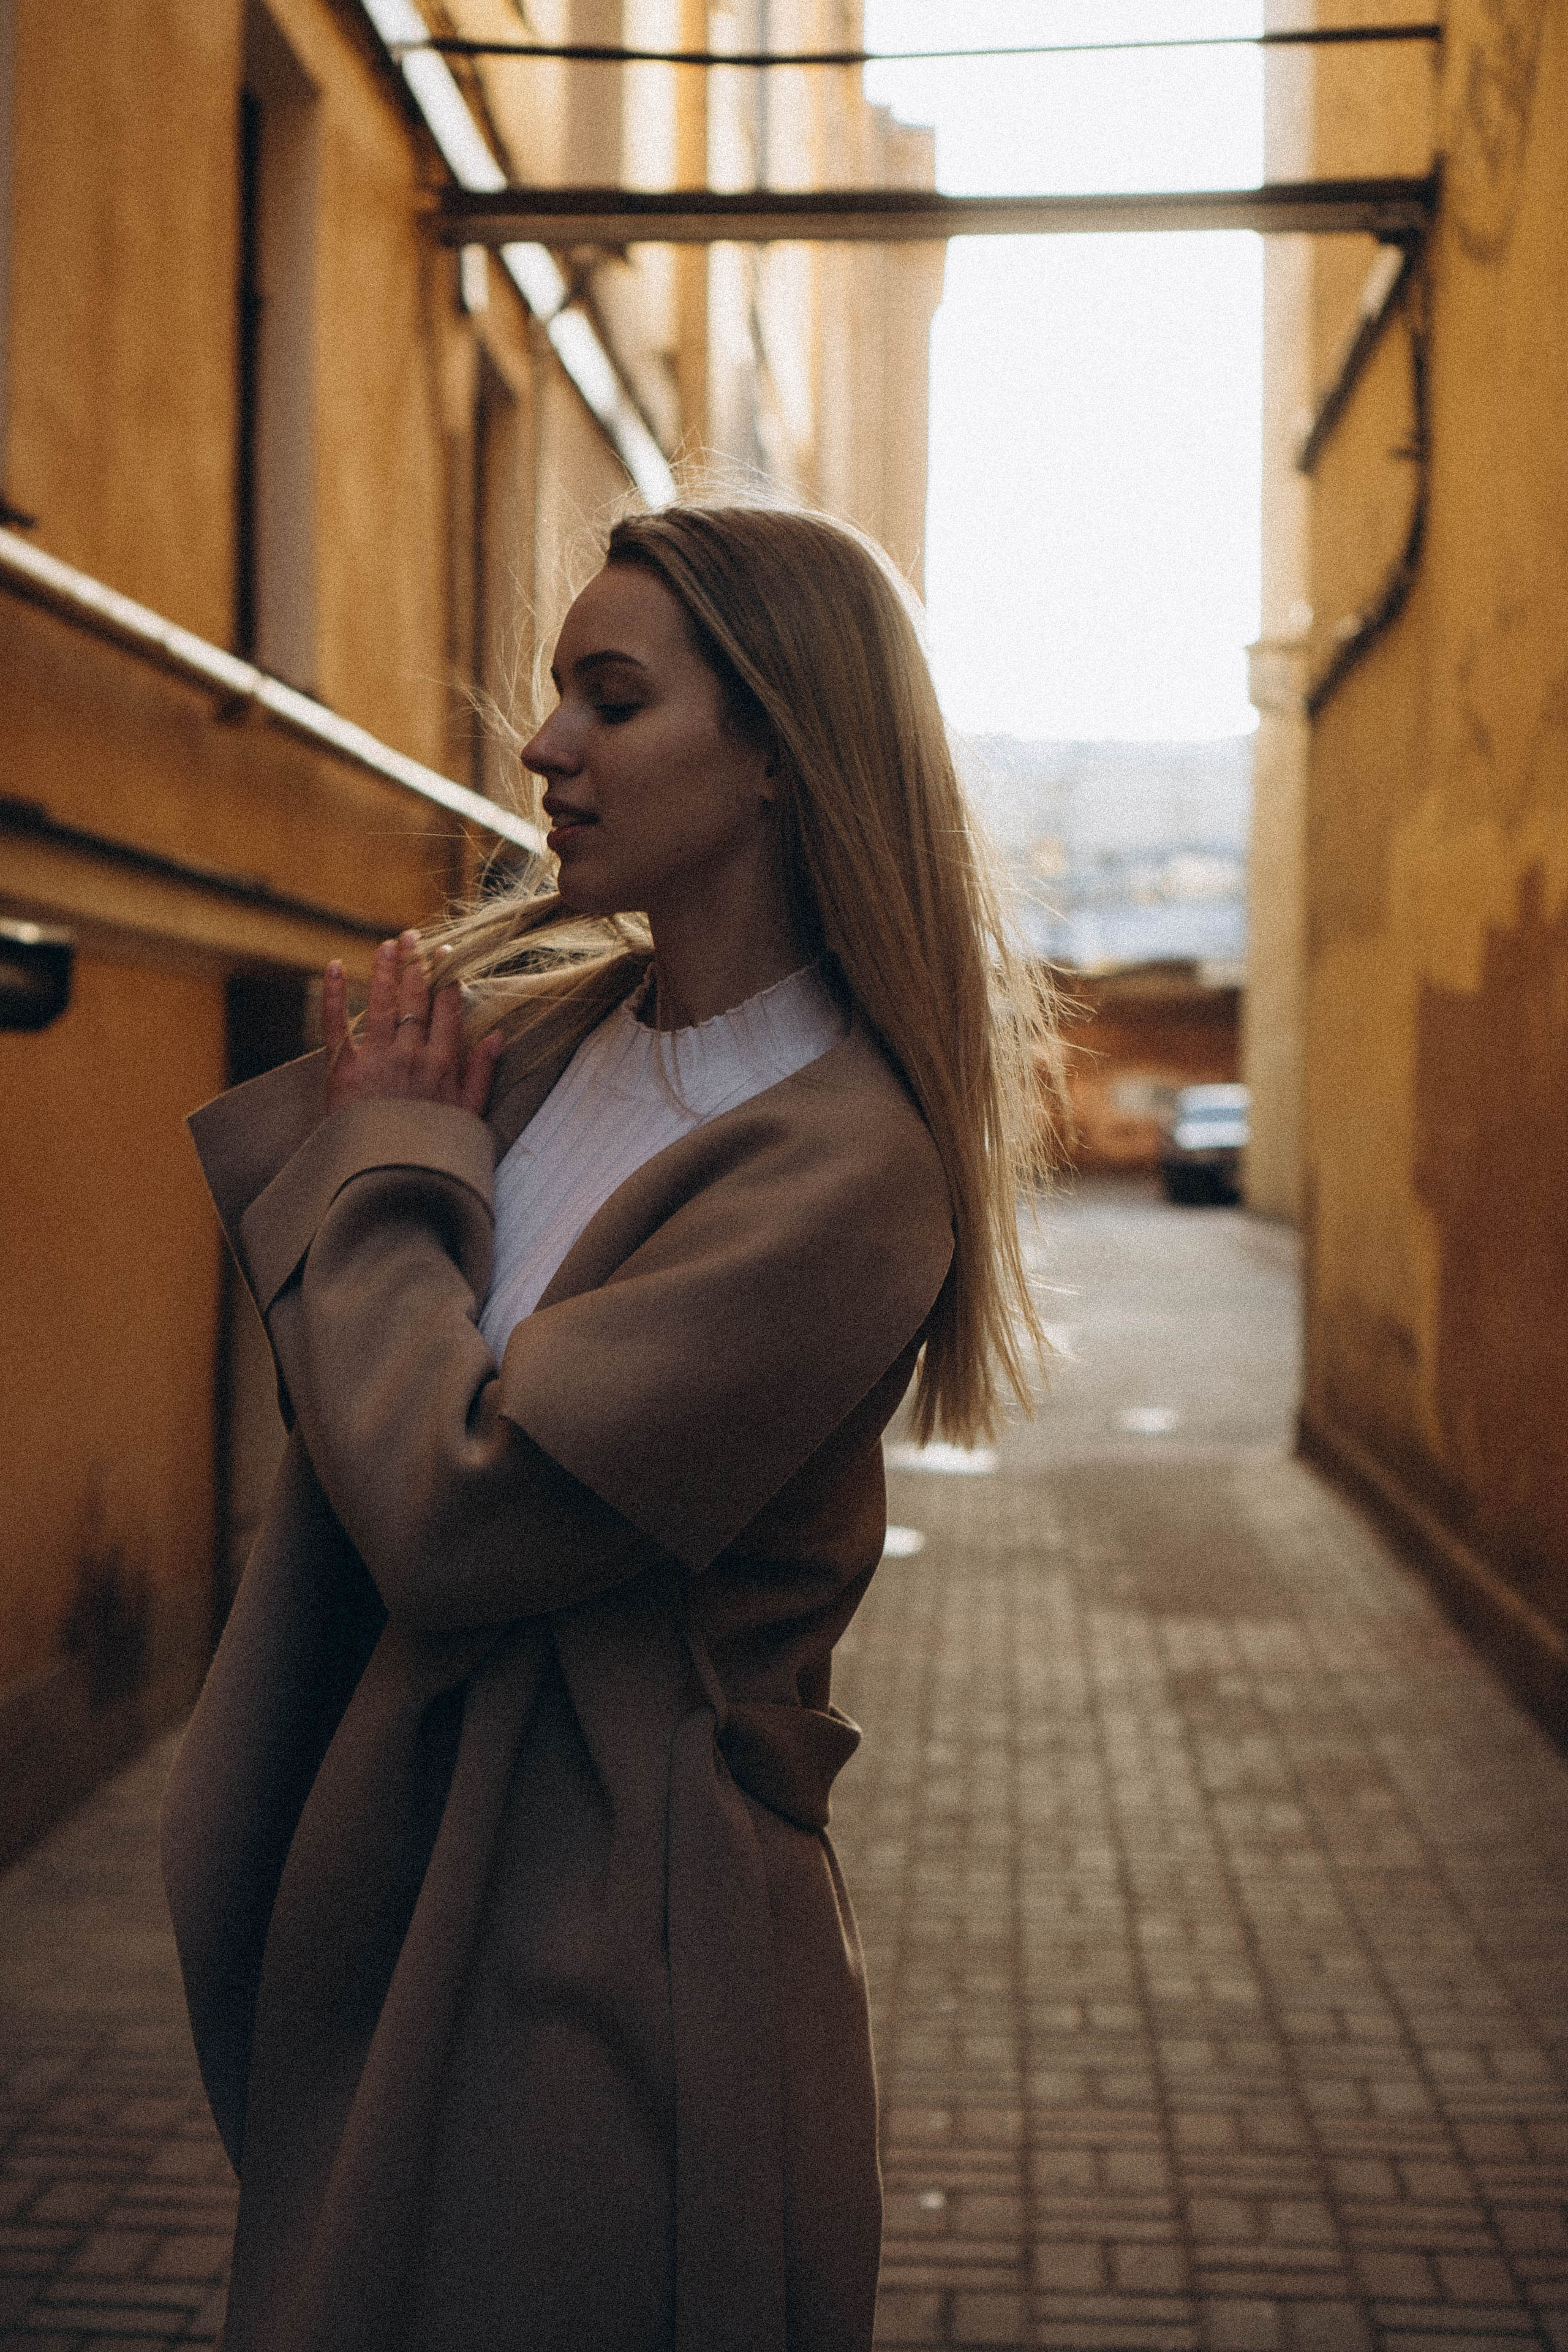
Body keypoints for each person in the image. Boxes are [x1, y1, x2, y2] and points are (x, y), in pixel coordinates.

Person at [162, 502, 1055, 2352]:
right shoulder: (550, 1037)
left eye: (610, 695)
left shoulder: (848, 1168)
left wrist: (390, 1166)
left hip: (609, 1950)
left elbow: (456, 1518)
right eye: (558, 691)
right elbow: (345, 1385)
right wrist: (390, 1157)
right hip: (402, 1870)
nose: (546, 743)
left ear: (777, 762)